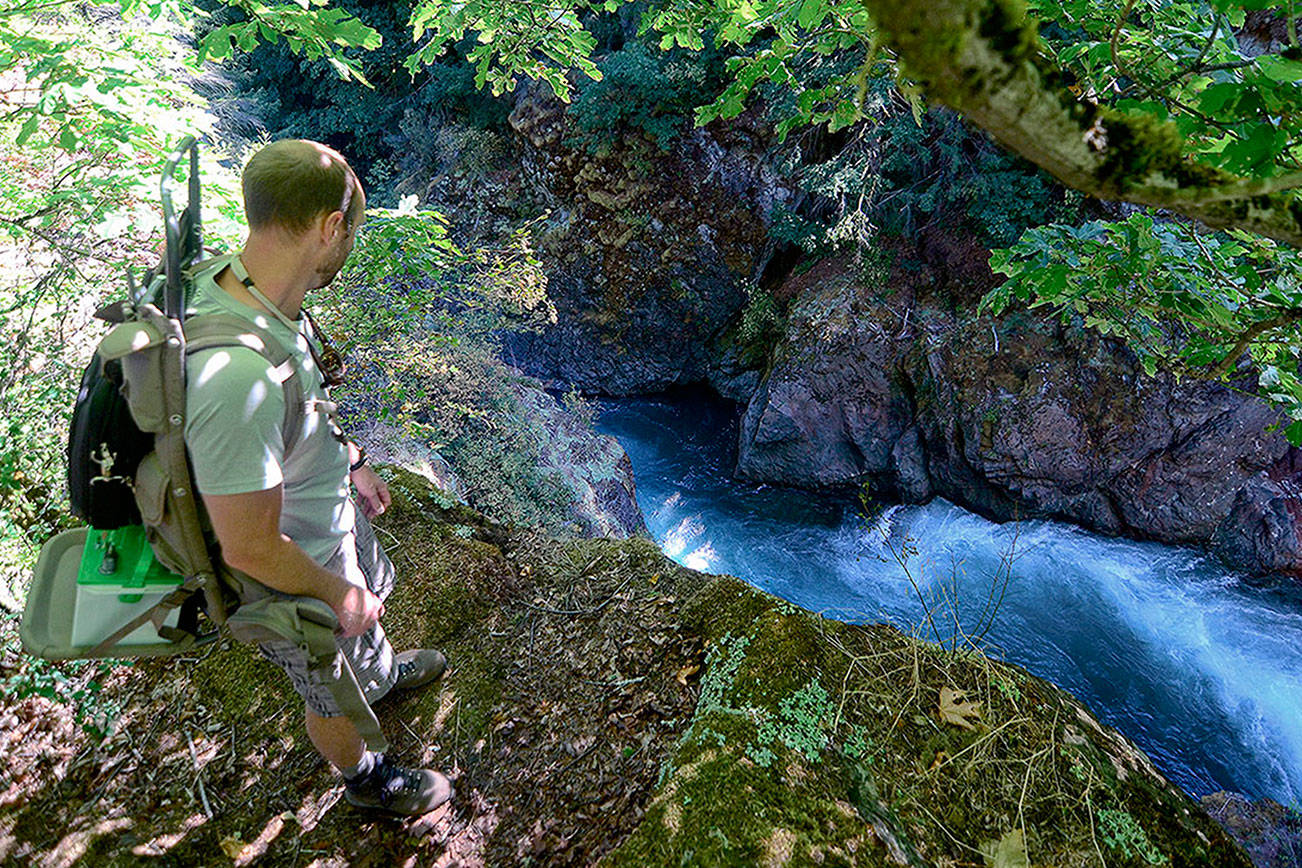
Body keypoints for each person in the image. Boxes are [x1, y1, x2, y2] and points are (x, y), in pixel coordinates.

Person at [182, 139, 452, 816]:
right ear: (331, 227)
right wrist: (339, 593)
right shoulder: (233, 376)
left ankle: (380, 675)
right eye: (352, 231)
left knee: (362, 631)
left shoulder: (255, 287)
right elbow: (249, 546)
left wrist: (351, 460)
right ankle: (367, 779)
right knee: (328, 686)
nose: (350, 244)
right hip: (292, 568)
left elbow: (296, 410)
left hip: (322, 518)